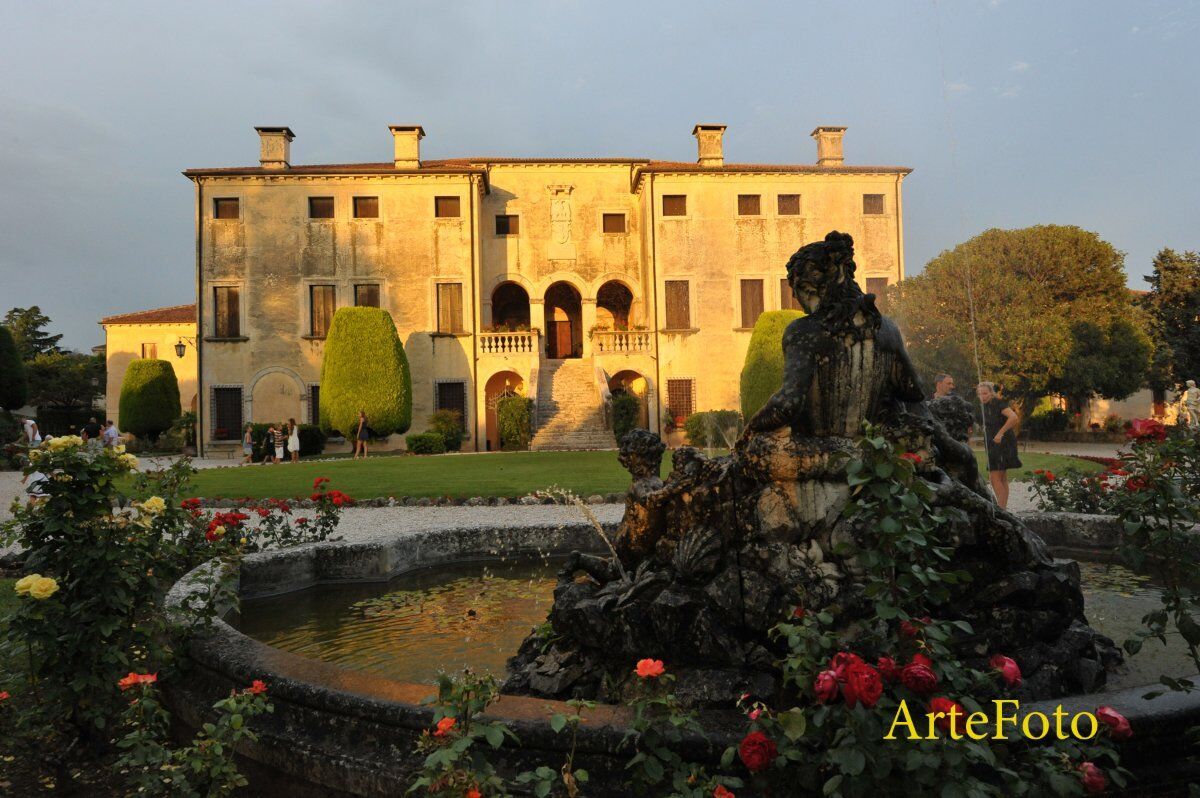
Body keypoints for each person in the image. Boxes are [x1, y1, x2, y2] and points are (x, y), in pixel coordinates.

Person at [977, 381, 1021, 509]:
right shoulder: (984, 406)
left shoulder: (997, 403)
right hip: (994, 443)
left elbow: (1013, 417)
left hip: (1002, 443)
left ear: (991, 393)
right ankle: (1003, 509)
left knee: (994, 476)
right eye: (980, 394)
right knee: (1001, 477)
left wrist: (1000, 433)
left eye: (985, 393)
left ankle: (1000, 510)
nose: (982, 396)